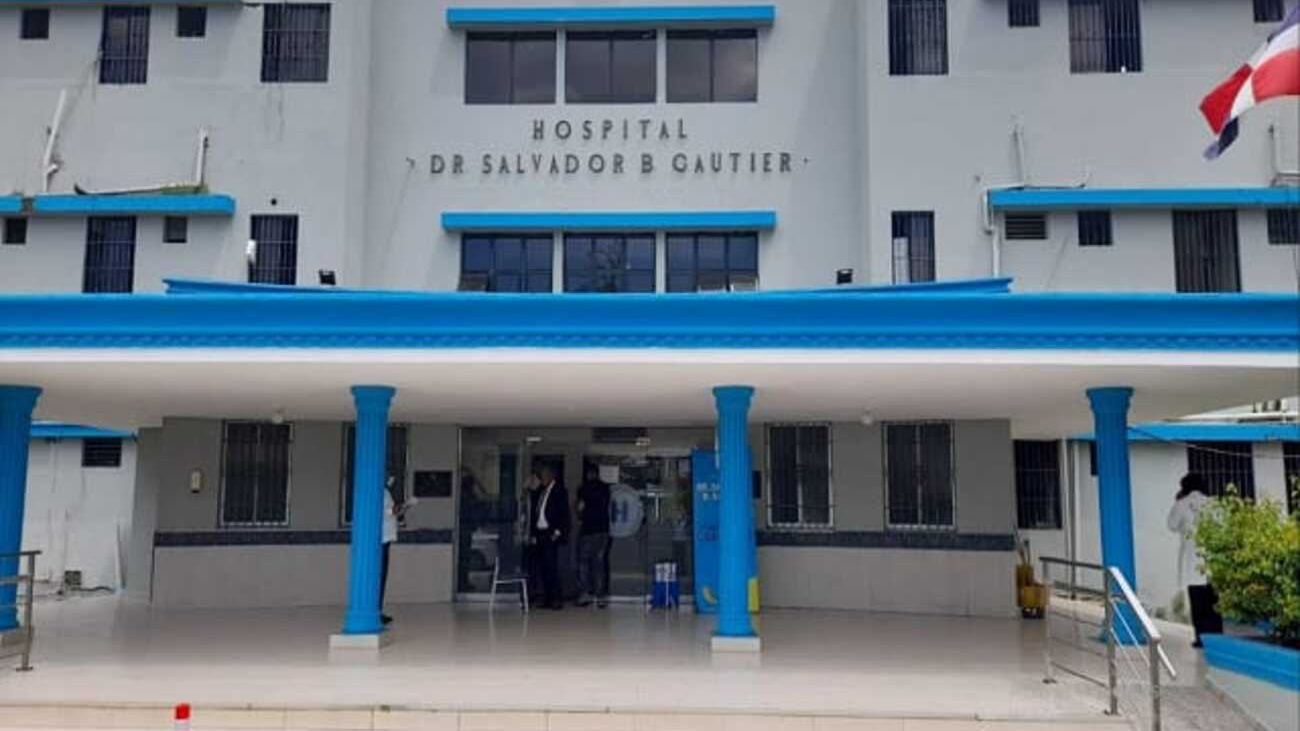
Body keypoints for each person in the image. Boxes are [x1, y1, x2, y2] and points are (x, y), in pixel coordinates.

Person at [1167, 472, 1222, 647]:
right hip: (1213, 559)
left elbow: (1172, 525)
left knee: (1198, 603)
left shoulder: (1182, 504)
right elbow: (1224, 525)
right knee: (1214, 603)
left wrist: (1177, 502)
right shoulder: (1214, 503)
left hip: (1192, 562)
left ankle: (1201, 638)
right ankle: (1217, 636)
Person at [529, 465, 570, 610]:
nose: (543, 477)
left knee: (552, 566)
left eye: (545, 475)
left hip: (551, 533)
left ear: (552, 475)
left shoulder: (559, 490)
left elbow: (563, 512)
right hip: (540, 532)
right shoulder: (541, 490)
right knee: (543, 567)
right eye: (542, 475)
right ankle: (546, 597)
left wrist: (557, 532)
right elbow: (536, 508)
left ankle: (556, 598)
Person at [576, 466, 612, 608]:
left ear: (588, 474)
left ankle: (585, 594)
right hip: (603, 530)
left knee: (583, 562)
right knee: (600, 563)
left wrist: (580, 515)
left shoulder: (583, 489)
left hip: (588, 529)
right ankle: (601, 596)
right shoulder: (606, 488)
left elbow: (580, 507)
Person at [380, 476, 407, 625]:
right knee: (379, 575)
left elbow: (392, 512)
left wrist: (402, 508)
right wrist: (399, 508)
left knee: (383, 576)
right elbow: (387, 512)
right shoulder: (380, 492)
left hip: (387, 538)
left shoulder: (386, 492)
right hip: (381, 539)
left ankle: (378, 609)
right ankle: (376, 610)